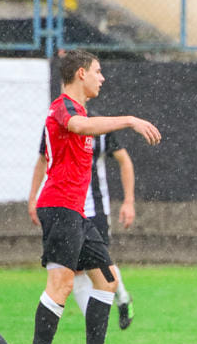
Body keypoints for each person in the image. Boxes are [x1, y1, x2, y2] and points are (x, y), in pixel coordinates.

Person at [21, 49, 160, 344]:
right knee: (61, 285)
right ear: (80, 73)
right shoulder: (64, 108)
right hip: (60, 208)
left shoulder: (80, 110)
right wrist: (129, 119)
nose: (103, 78)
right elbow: (78, 127)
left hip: (77, 214)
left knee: (108, 280)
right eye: (98, 71)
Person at [29, 128, 137, 330]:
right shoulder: (55, 125)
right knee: (76, 269)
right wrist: (33, 196)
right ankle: (95, 328)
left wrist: (129, 201)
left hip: (94, 210)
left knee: (101, 263)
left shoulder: (100, 127)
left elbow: (124, 160)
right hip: (66, 210)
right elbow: (43, 160)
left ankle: (122, 298)